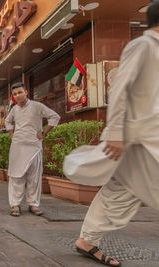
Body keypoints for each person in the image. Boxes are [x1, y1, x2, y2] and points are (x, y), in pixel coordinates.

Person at [74, 2, 159, 266]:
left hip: (148, 139)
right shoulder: (143, 46)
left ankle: (87, 239)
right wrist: (114, 132)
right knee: (122, 190)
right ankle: (87, 239)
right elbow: (121, 88)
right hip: (140, 139)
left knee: (122, 190)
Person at [5, 82, 60, 217]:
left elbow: (55, 117)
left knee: (34, 177)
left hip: (34, 145)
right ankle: (15, 204)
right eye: (15, 94)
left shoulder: (37, 106)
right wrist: (12, 134)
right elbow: (7, 121)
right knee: (16, 176)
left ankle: (33, 204)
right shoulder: (14, 109)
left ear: (26, 92)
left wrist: (44, 133)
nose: (18, 96)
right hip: (18, 146)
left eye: (20, 92)